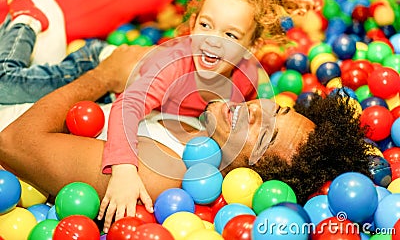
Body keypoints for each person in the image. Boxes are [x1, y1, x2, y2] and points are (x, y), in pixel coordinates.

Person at [0, 45, 371, 233]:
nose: (256, 110)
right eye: (276, 109)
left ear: (254, 178)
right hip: (54, 95)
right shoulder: (207, 126)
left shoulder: (158, 176)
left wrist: (106, 75)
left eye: (265, 134)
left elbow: (13, 142)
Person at [101, 0, 312, 229]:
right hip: (100, 59)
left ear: (252, 47)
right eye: (205, 25)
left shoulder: (245, 79)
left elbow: (245, 137)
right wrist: (123, 169)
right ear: (192, 25)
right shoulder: (174, 65)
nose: (212, 40)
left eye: (231, 35)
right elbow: (128, 105)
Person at [0, 0, 119, 104]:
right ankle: (26, 19)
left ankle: (27, 20)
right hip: (100, 69)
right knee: (39, 0)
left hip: (105, 68)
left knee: (39, 0)